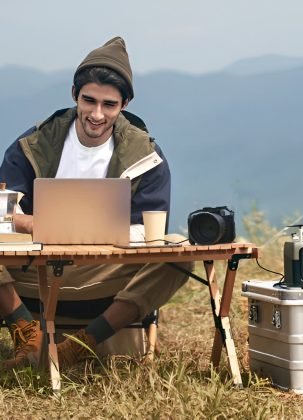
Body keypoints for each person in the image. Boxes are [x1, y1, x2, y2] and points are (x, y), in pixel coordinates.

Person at [0, 37, 192, 369]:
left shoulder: (145, 156)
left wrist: (103, 234)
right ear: (74, 94)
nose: (97, 114)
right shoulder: (34, 144)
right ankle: (25, 331)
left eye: (109, 105)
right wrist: (30, 223)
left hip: (104, 274)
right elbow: (2, 207)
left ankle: (83, 343)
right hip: (35, 271)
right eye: (89, 101)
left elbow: (150, 230)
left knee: (178, 249)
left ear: (125, 104)